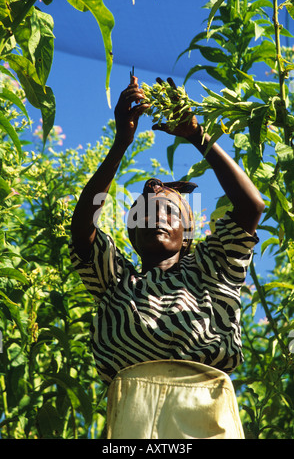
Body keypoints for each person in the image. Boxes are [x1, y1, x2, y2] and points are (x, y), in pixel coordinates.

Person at [70, 76, 265, 439]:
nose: (156, 217)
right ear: (130, 233)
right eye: (144, 213)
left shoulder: (213, 268)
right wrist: (120, 144)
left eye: (169, 212)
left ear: (188, 235)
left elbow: (251, 206)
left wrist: (196, 135)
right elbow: (82, 229)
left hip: (206, 413)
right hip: (133, 416)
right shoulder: (115, 281)